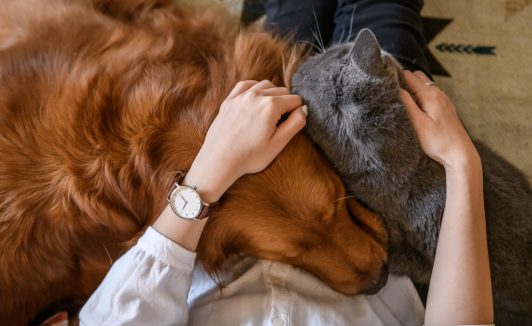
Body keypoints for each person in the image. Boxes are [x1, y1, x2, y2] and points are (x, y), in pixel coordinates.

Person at [79, 0, 494, 325]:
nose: (366, 269)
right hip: (376, 189)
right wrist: (461, 165)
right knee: (385, 12)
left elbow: (117, 317)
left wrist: (209, 171)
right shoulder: (364, 264)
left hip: (223, 191)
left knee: (295, 13)